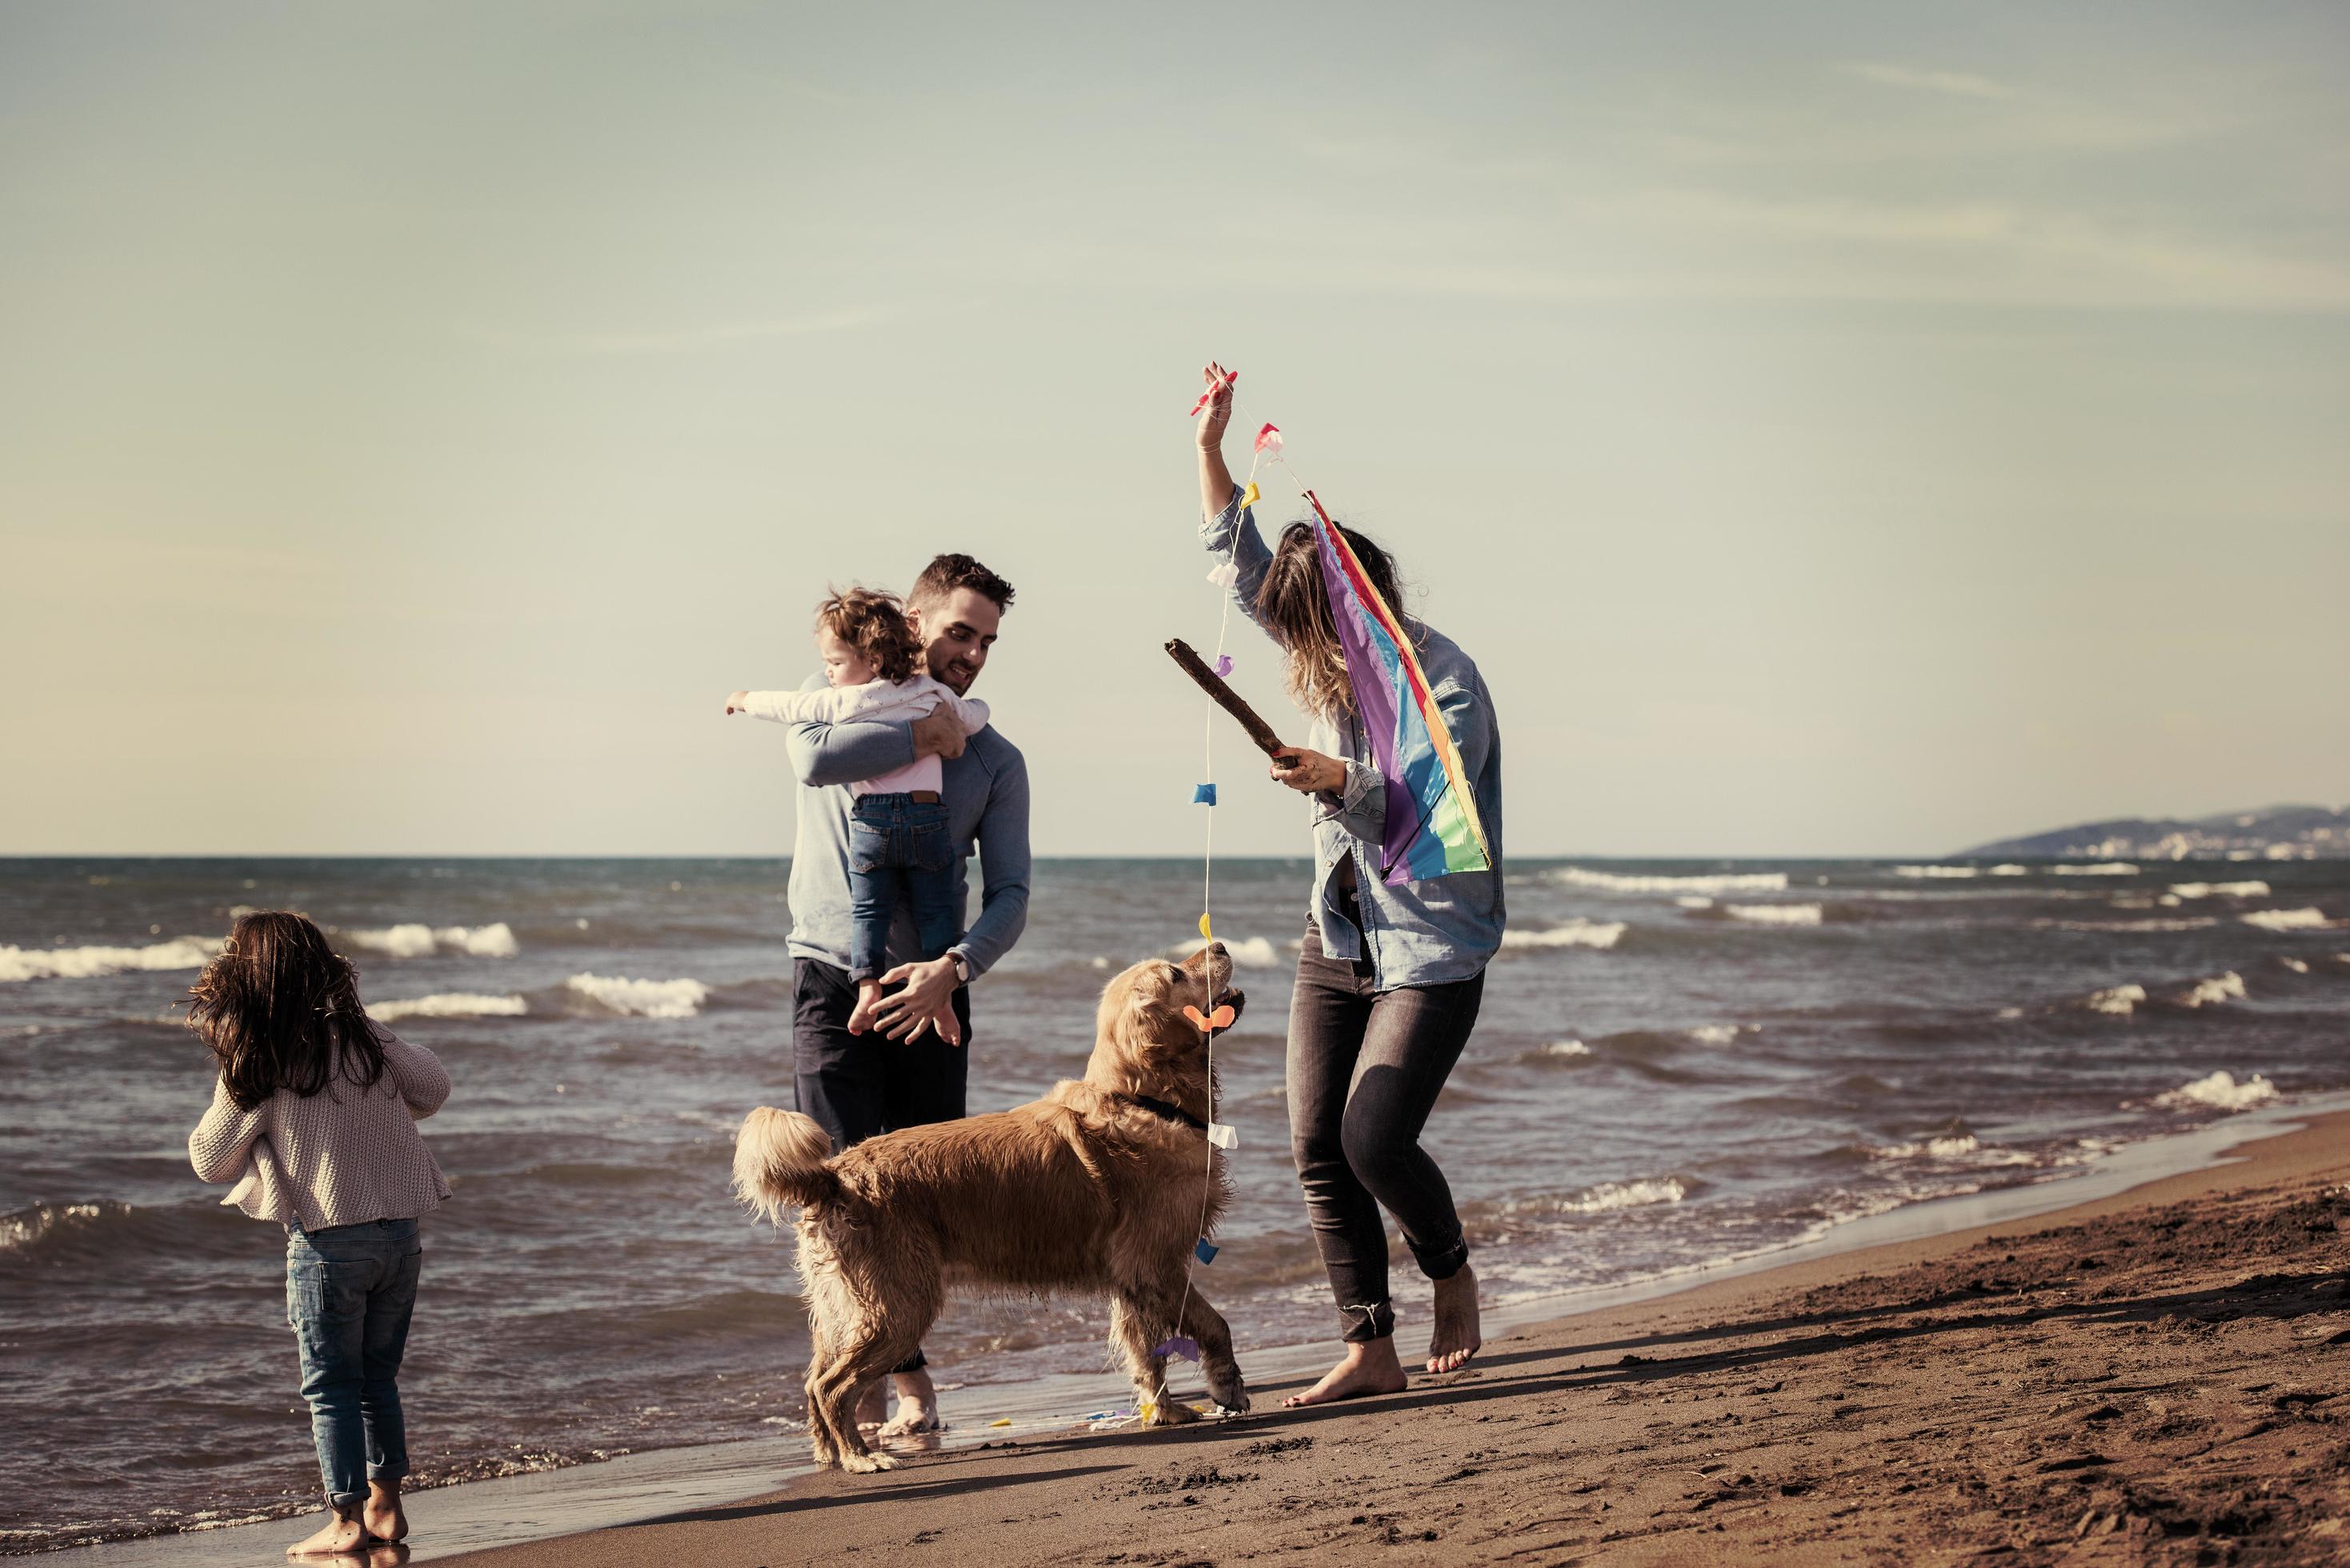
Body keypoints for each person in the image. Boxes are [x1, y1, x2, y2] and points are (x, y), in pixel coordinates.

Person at [1191, 362, 1505, 1406]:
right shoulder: (1318, 642)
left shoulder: (1442, 683)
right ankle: (1370, 1348)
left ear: (1363, 609)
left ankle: (1450, 1273)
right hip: (1339, 941)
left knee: (1374, 1137)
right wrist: (1208, 451)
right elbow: (1240, 566)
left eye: (1320, 630)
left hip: (1430, 948)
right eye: (1297, 632)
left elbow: (1438, 825)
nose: (1305, 652)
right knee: (1316, 1143)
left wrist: (1341, 781)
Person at [766, 553, 1031, 1434]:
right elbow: (811, 762)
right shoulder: (835, 698)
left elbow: (1011, 896)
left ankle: (905, 1385)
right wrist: (922, 738)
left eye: (987, 639)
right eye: (959, 631)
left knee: (916, 1207)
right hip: (828, 978)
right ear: (912, 624)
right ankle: (863, 1394)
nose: (973, 653)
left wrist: (956, 967)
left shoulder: (995, 759)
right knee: (840, 1195)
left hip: (934, 996)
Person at [183, 911, 451, 1558]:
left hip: (330, 1244)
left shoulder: (262, 1059)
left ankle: (346, 1522)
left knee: (330, 1386)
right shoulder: (361, 1039)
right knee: (377, 1379)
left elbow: (208, 1158)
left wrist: (242, 1078)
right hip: (400, 1239)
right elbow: (434, 1088)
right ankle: (387, 1509)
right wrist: (368, 1038)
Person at [729, 587, 993, 1037]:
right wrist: (966, 719)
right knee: (936, 913)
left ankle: (867, 987)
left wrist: (746, 698)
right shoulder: (930, 693)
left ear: (870, 660)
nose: (828, 673)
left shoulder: (846, 701)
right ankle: (942, 997)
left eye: (834, 663)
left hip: (872, 823)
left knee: (868, 911)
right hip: (927, 818)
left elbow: (793, 707)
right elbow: (972, 717)